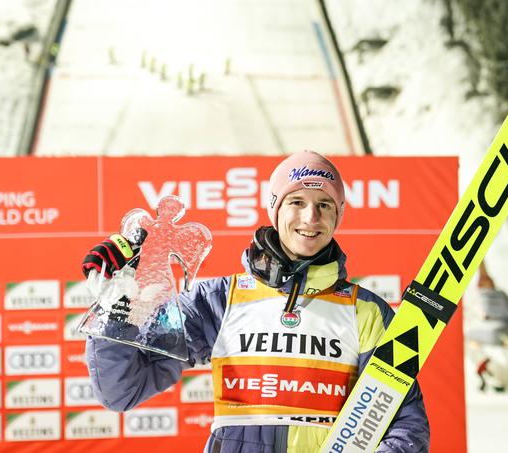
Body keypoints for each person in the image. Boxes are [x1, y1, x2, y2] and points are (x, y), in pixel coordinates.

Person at [83, 151, 430, 452]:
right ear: (275, 209)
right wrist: (116, 309)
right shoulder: (218, 300)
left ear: (338, 214)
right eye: (296, 202)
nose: (311, 218)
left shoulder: (367, 312)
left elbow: (406, 424)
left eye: (324, 204)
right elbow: (122, 390)